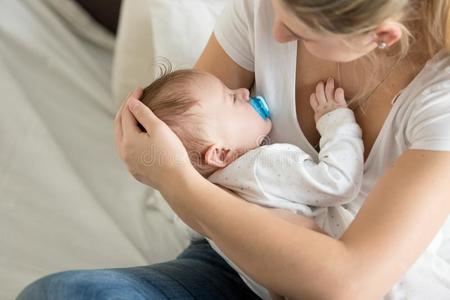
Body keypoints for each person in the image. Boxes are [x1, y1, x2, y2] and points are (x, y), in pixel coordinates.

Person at [18, 0, 450, 299]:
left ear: (382, 35)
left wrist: (176, 181)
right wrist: (289, 241)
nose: (277, 31)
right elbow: (187, 144)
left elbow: (347, 285)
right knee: (68, 293)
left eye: (302, 30)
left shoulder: (440, 102)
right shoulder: (263, 9)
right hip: (233, 266)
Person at [139, 67, 363, 299]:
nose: (245, 92)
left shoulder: (202, 201)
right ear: (220, 153)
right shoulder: (262, 165)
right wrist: (336, 122)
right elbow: (339, 183)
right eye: (232, 99)